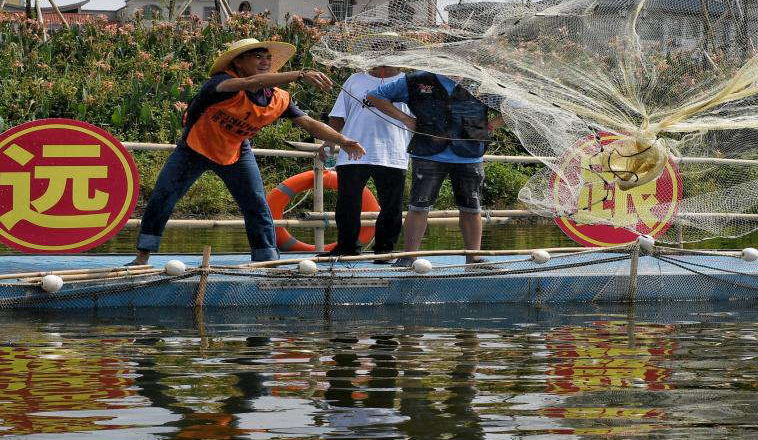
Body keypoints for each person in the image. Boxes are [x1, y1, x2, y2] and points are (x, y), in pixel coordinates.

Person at [130, 38, 366, 265]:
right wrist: (300, 74)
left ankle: (266, 260)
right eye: (257, 57)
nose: (264, 61)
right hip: (194, 149)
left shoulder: (278, 97)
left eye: (267, 58)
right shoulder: (220, 83)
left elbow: (309, 123)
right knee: (163, 196)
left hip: (236, 151)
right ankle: (143, 256)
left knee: (256, 204)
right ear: (238, 63)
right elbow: (246, 84)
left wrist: (343, 139)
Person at [366, 71, 502, 268]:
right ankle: (409, 256)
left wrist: (491, 125)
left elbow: (515, 106)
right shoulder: (416, 80)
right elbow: (375, 96)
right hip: (427, 152)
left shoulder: (483, 82)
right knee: (418, 206)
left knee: (472, 208)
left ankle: (474, 258)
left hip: (470, 152)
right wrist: (406, 119)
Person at [324, 64, 410, 261]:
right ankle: (346, 247)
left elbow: (419, 117)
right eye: (379, 47)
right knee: (347, 202)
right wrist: (329, 141)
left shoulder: (409, 82)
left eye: (394, 49)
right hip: (353, 149)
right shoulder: (355, 79)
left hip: (393, 151)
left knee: (392, 205)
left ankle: (384, 250)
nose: (386, 55)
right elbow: (338, 114)